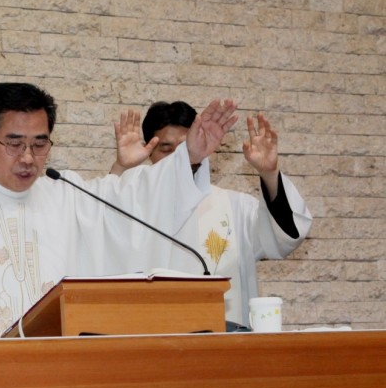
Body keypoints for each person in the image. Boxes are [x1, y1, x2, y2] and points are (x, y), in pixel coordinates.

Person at [0, 83, 239, 338]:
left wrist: (189, 157)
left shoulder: (65, 195)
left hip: (60, 373)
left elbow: (134, 204)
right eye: (14, 143)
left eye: (40, 144)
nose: (28, 158)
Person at [109, 100, 312, 327]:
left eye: (185, 148)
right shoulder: (136, 207)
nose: (178, 158)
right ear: (149, 152)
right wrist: (121, 169)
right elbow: (103, 237)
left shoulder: (235, 207)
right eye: (166, 149)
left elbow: (283, 238)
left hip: (222, 340)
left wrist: (270, 174)